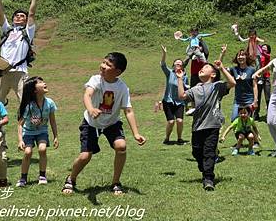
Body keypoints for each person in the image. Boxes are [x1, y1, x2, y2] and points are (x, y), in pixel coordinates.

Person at [62, 53, 146, 195]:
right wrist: (91, 109)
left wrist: (136, 133)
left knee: (121, 146)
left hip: (111, 123)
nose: (103, 66)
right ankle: (71, 178)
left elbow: (128, 110)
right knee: (85, 156)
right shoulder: (96, 80)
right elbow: (87, 94)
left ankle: (115, 182)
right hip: (91, 123)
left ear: (118, 72)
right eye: (103, 62)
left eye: (108, 65)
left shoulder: (122, 88)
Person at [176, 60, 235, 191]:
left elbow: (232, 83)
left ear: (213, 74)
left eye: (206, 67)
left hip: (213, 125)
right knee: (196, 151)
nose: (202, 68)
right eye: (202, 68)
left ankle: (208, 178)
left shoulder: (217, 86)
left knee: (208, 151)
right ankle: (205, 168)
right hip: (197, 126)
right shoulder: (195, 89)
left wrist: (222, 68)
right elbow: (182, 96)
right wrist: (179, 79)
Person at [0, 0, 42, 105]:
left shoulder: (27, 32)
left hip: (20, 72)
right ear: (13, 19)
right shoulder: (7, 30)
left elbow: (31, 14)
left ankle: (27, 124)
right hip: (2, 72)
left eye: (22, 16)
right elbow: (0, 13)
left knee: (26, 102)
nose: (19, 17)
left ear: (25, 21)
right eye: (16, 16)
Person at [16, 76, 58, 187]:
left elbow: (53, 121)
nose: (44, 83)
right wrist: (20, 140)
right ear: (34, 90)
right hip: (28, 132)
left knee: (42, 149)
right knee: (28, 152)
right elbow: (20, 124)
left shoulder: (49, 103)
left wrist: (56, 136)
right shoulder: (29, 105)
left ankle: (42, 176)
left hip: (42, 131)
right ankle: (23, 178)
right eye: (40, 82)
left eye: (43, 81)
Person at [218, 45, 258, 121]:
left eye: (243, 55)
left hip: (249, 100)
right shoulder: (234, 69)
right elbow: (219, 66)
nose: (240, 57)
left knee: (247, 122)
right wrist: (222, 53)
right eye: (239, 55)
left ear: (246, 57)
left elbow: (254, 86)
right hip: (237, 101)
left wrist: (255, 100)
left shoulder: (252, 70)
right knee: (234, 120)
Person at [158, 45, 188, 145]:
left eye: (180, 64)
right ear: (173, 65)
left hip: (180, 102)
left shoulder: (185, 76)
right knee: (171, 122)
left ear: (182, 66)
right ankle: (167, 138)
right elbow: (162, 64)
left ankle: (179, 138)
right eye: (176, 64)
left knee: (179, 121)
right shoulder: (169, 73)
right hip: (168, 101)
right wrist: (164, 54)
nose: (178, 65)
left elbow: (186, 90)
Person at [254, 43, 272, 121]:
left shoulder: (268, 56)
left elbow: (264, 53)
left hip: (266, 78)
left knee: (268, 97)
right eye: (263, 47)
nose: (264, 48)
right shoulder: (259, 57)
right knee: (258, 97)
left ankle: (270, 113)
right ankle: (256, 114)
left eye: (266, 47)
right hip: (259, 78)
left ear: (268, 50)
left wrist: (260, 48)